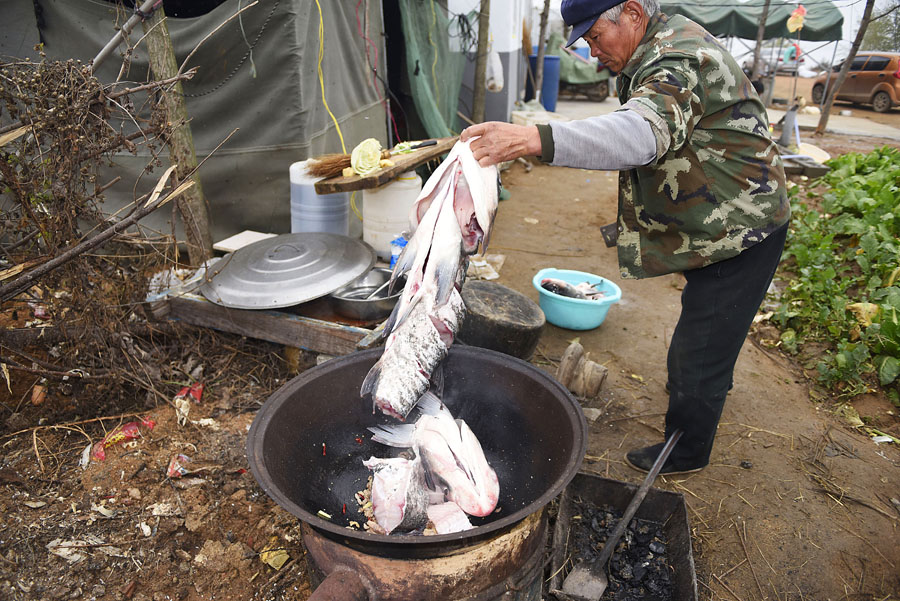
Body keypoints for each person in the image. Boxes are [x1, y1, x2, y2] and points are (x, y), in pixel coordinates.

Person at [460, 0, 790, 475]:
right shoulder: (652, 47)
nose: (594, 53)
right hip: (719, 219)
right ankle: (706, 385)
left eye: (595, 37)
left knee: (698, 350)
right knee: (707, 339)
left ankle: (687, 451)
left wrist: (536, 138)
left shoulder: (679, 57)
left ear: (631, 13)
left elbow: (641, 135)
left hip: (743, 228)